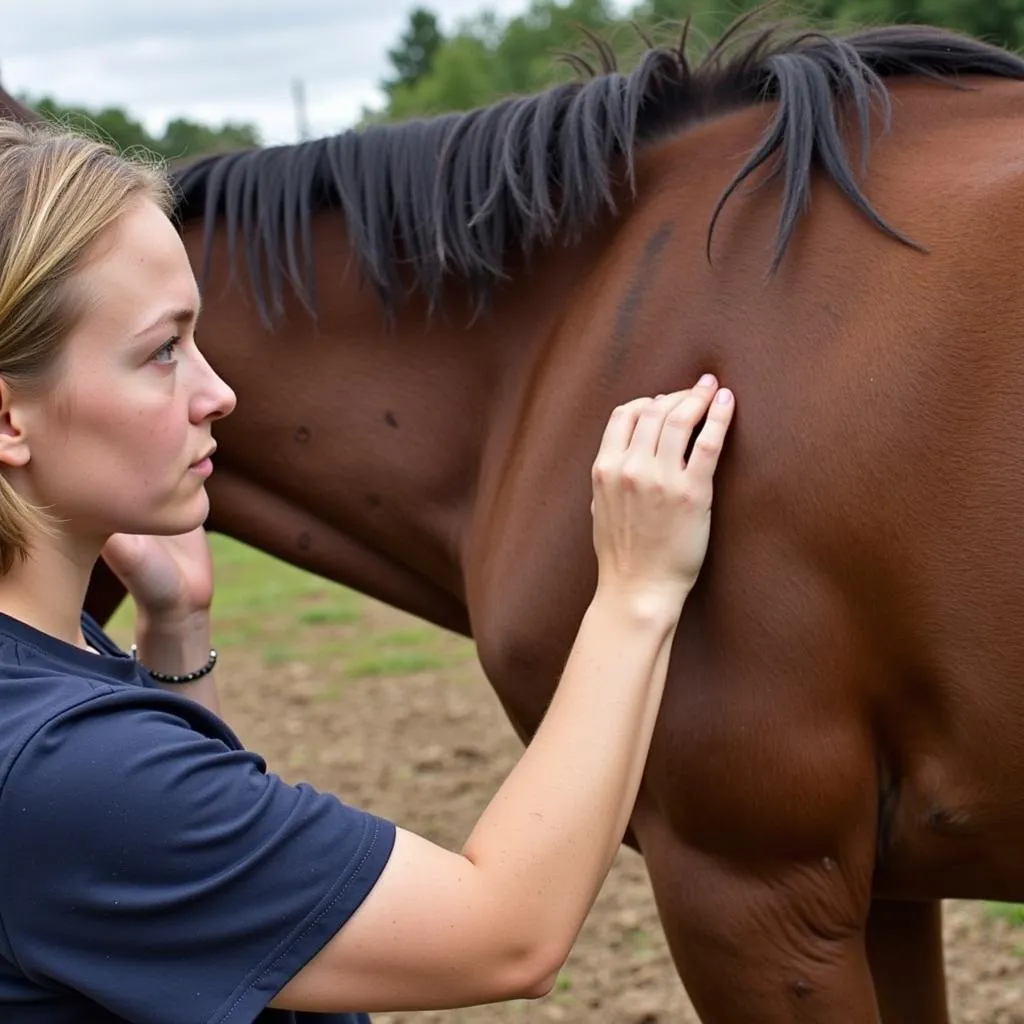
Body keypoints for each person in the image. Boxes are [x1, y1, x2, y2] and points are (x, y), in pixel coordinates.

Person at [0, 118, 736, 1024]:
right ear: (9, 422)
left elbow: (192, 902)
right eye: (163, 351)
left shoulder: (45, 666)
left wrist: (177, 631)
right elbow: (506, 934)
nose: (217, 392)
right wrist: (636, 589)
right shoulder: (61, 766)